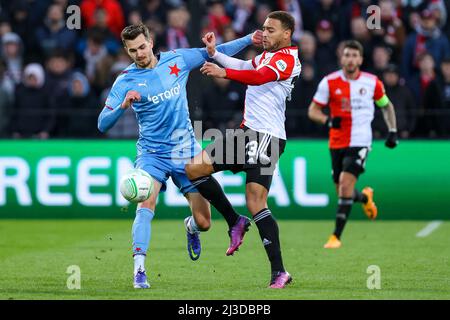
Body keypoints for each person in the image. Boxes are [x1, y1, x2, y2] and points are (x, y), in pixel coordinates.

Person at [97, 23, 261, 289]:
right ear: (127, 52)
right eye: (132, 51)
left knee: (204, 222)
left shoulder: (177, 60)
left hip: (186, 150)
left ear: (150, 41)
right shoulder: (125, 80)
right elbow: (103, 123)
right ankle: (139, 270)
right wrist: (123, 106)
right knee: (145, 204)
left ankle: (190, 227)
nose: (138, 53)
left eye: (141, 47)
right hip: (152, 154)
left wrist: (248, 38)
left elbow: (214, 51)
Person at [185, 11, 301, 289]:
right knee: (257, 203)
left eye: (271, 30)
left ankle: (235, 221)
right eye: (263, 28)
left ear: (287, 34)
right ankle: (279, 273)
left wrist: (224, 72)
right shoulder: (269, 56)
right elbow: (248, 66)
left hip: (259, 136)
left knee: (194, 168)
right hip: (267, 138)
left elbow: (258, 77)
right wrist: (215, 53)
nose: (265, 33)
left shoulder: (287, 59)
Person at [308, 40, 398, 249]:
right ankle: (365, 197)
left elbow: (386, 106)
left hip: (360, 141)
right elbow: (313, 110)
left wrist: (392, 131)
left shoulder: (372, 82)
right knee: (342, 189)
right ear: (342, 58)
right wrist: (328, 120)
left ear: (360, 59)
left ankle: (335, 236)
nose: (350, 59)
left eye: (354, 55)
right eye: (347, 55)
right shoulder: (328, 82)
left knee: (346, 184)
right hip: (336, 142)